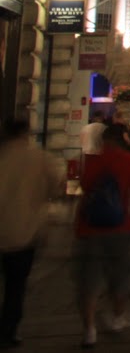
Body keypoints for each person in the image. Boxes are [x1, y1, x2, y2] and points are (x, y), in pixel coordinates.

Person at [76, 123, 130, 348]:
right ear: (124, 139)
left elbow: (84, 188)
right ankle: (117, 318)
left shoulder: (90, 161)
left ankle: (89, 329)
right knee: (119, 275)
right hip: (120, 226)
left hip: (88, 227)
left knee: (88, 280)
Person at [0, 117, 65, 347]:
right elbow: (57, 187)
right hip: (23, 232)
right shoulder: (39, 158)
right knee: (15, 285)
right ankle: (9, 330)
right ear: (26, 133)